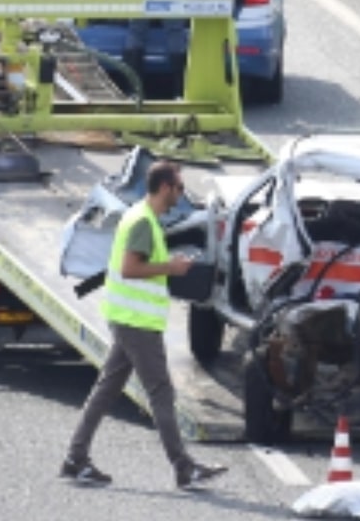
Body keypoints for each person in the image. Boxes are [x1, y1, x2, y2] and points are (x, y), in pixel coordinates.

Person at [61, 161, 227, 490]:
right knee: (160, 392)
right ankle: (184, 467)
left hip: (130, 319)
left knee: (106, 390)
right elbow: (129, 268)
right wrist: (173, 268)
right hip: (136, 322)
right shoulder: (142, 222)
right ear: (164, 187)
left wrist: (170, 267)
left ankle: (75, 458)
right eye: (179, 187)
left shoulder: (145, 217)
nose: (181, 194)